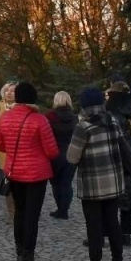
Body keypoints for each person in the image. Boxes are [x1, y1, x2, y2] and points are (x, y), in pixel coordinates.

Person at [66, 88, 131, 261]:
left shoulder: (84, 127)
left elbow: (72, 157)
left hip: (91, 184)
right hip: (114, 181)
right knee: (113, 221)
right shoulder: (112, 121)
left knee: (94, 224)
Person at [0, 82, 59, 261]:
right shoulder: (40, 120)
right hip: (36, 174)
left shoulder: (5, 118)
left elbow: (0, 145)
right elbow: (52, 151)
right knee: (32, 216)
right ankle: (28, 258)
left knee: (19, 214)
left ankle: (19, 252)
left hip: (14, 173)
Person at [105, 74, 131, 244]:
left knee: (109, 196)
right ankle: (126, 232)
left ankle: (107, 231)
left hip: (112, 156)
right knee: (129, 193)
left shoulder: (109, 111)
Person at [46, 91, 78, 219]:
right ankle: (64, 209)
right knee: (66, 183)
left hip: (54, 154)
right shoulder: (75, 118)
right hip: (71, 153)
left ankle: (60, 208)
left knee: (55, 183)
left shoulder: (49, 117)